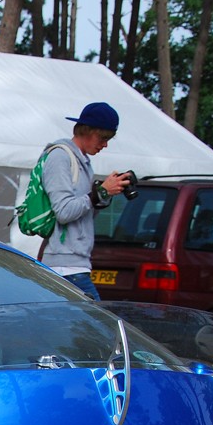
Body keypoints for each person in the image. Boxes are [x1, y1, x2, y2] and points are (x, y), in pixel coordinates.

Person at [38, 101, 131, 299]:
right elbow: (63, 212)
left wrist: (105, 194)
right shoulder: (60, 157)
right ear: (86, 130)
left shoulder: (84, 162)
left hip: (75, 264)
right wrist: (99, 193)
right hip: (64, 266)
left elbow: (83, 212)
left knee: (74, 328)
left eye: (109, 139)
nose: (105, 144)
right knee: (99, 326)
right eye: (103, 137)